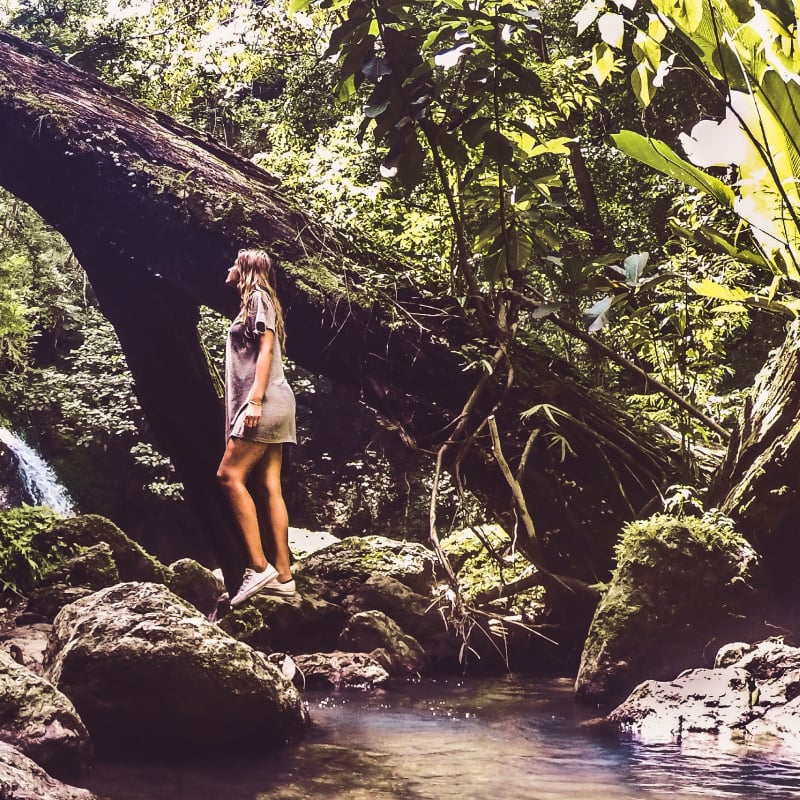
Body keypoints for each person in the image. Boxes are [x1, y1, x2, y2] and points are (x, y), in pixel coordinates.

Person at [217, 248, 297, 607]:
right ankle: (284, 576)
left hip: (264, 404)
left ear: (247, 269)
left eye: (235, 262)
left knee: (228, 476)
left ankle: (258, 566)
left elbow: (265, 351)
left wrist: (254, 400)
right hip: (278, 403)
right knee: (268, 485)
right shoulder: (258, 302)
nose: (230, 267)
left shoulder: (258, 299)